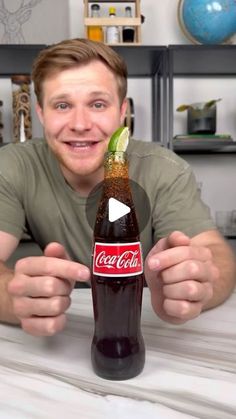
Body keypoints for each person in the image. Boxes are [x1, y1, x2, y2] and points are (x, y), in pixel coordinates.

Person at [0, 38, 235, 336]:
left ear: (121, 111)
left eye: (98, 104)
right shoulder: (12, 166)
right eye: (62, 105)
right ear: (42, 113)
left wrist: (196, 283)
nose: (81, 123)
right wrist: (11, 296)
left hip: (142, 327)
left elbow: (215, 253)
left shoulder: (164, 168)